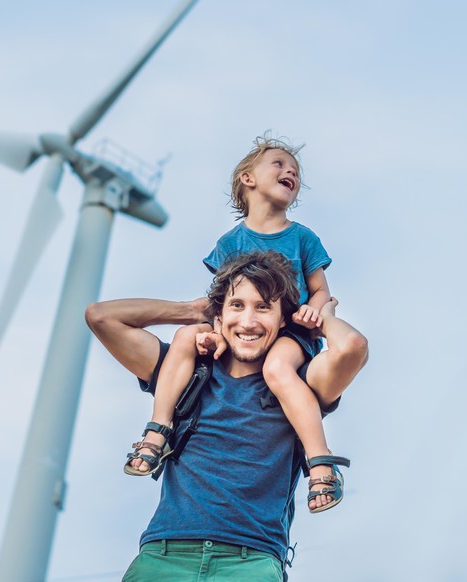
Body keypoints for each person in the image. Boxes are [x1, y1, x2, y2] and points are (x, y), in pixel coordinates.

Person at [86, 250, 368, 581]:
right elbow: (100, 316)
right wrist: (191, 312)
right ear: (218, 315)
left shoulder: (297, 385)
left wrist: (322, 318)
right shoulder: (184, 373)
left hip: (252, 562)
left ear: (282, 319)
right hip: (163, 557)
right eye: (237, 305)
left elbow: (351, 347)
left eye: (263, 307)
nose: (248, 321)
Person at [122, 134, 341, 513]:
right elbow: (223, 302)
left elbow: (321, 291)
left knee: (277, 369)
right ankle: (158, 429)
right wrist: (215, 335)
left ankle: (319, 460)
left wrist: (315, 311)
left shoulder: (303, 237)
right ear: (248, 178)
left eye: (295, 171)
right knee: (186, 335)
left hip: (291, 332)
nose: (290, 171)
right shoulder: (229, 242)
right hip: (242, 330)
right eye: (278, 163)